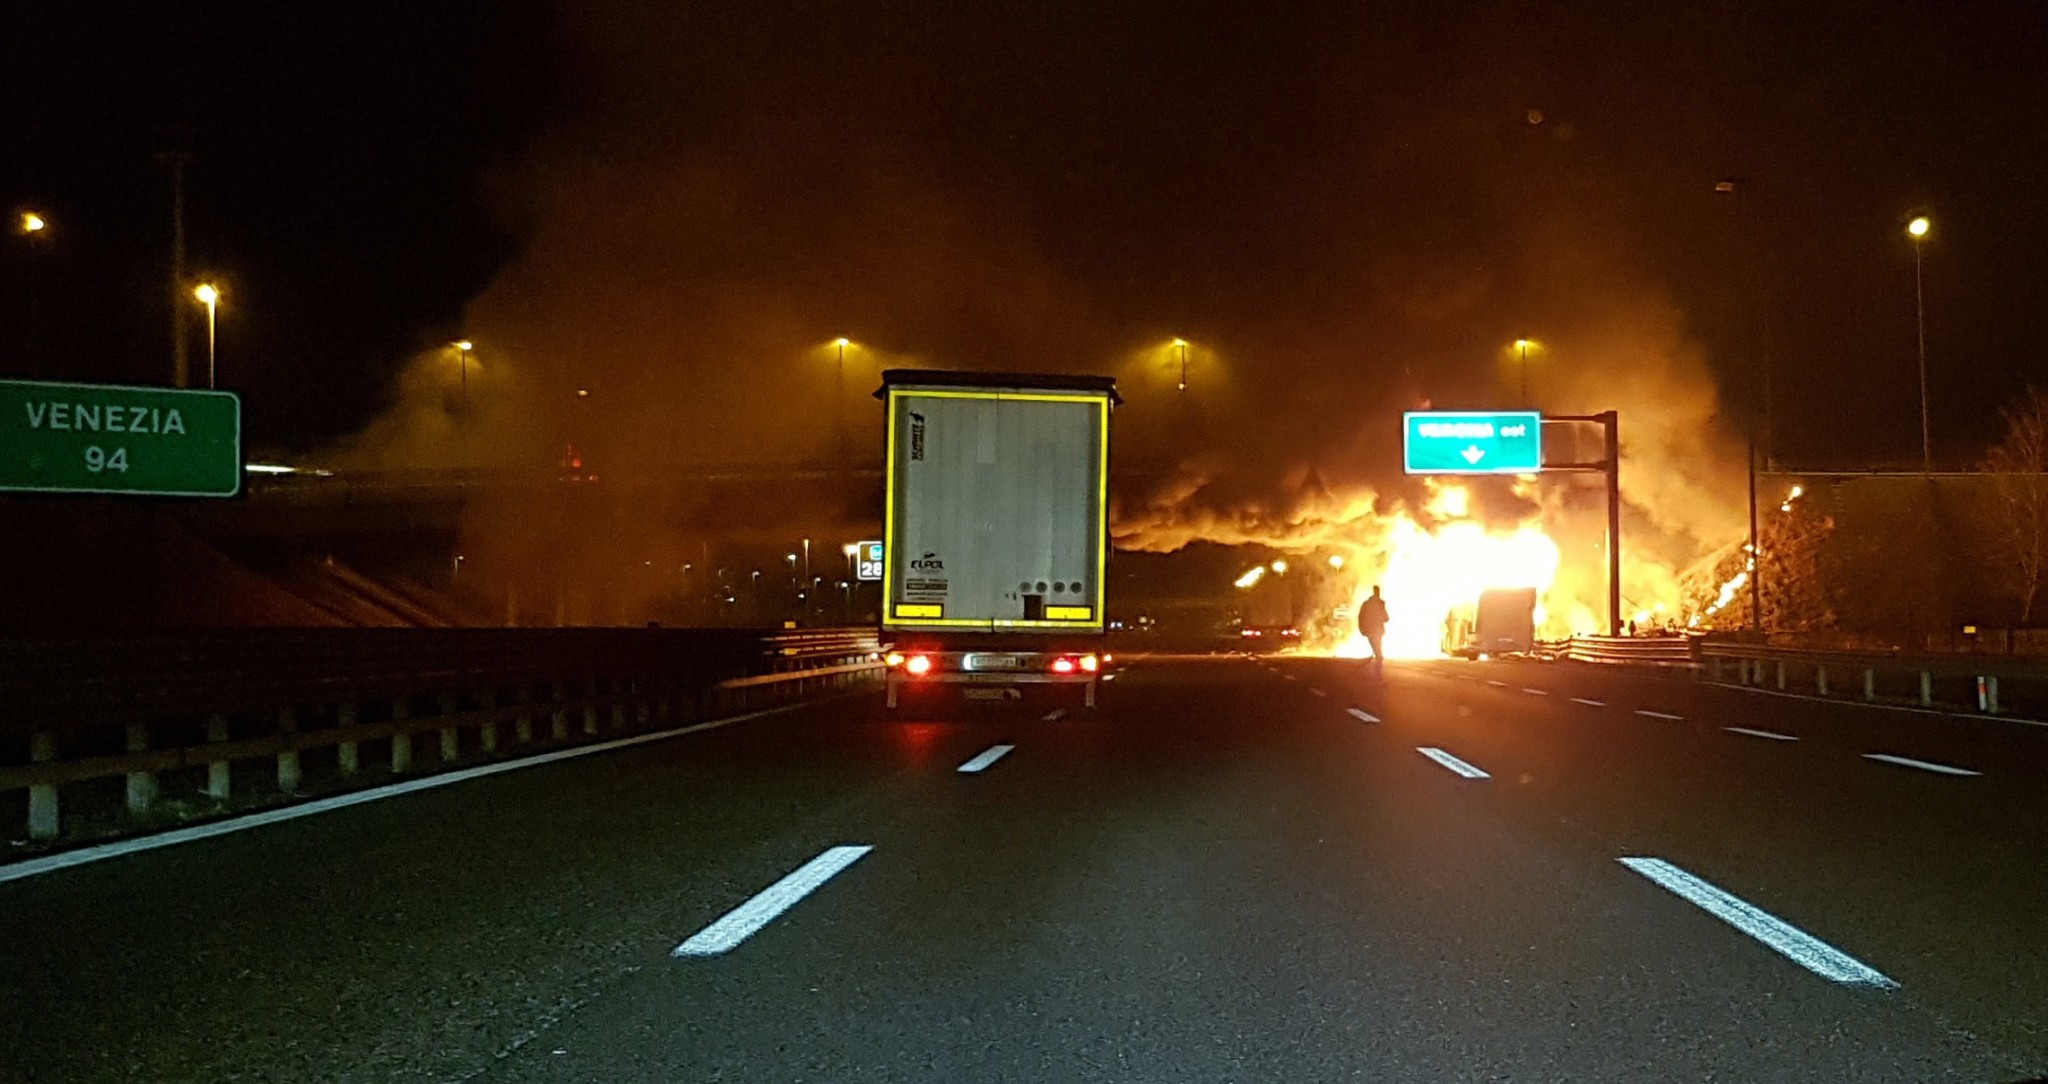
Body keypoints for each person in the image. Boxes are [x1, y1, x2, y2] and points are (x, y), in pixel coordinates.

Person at [1357, 585, 1389, 679]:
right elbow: (1386, 618)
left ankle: (1377, 673)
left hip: (1373, 630)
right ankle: (1377, 673)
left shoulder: (1370, 604)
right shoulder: (1378, 604)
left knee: (1377, 650)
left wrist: (1362, 628)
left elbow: (1361, 616)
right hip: (1374, 630)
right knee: (1377, 650)